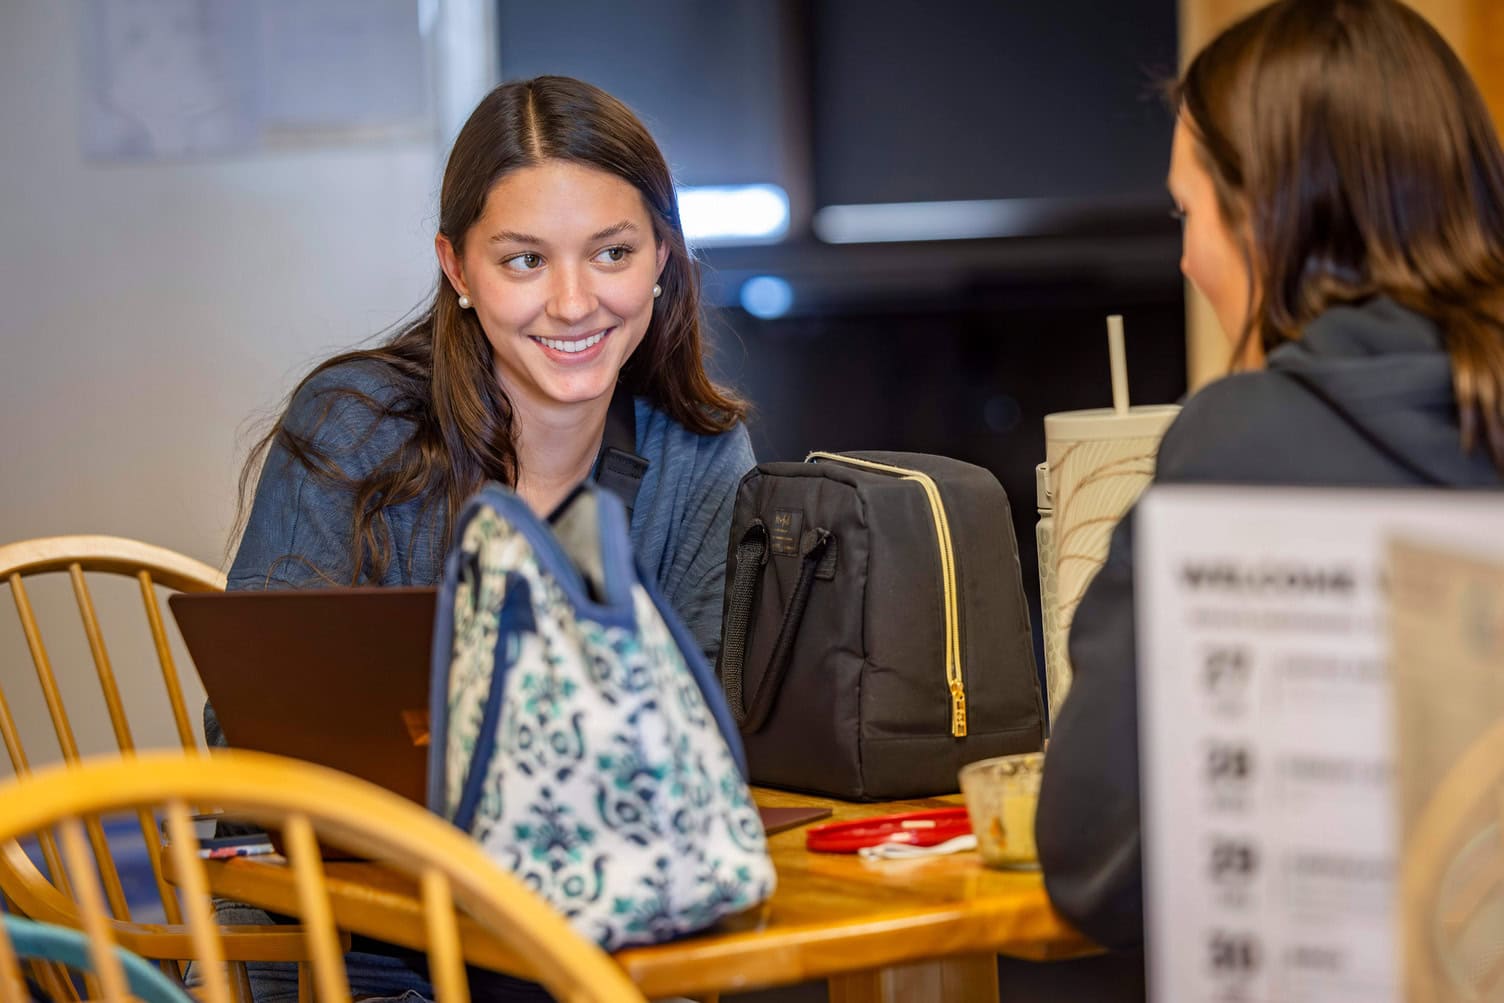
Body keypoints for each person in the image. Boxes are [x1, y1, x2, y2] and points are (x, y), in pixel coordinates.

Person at [212, 75, 754, 1003]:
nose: (576, 303)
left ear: (661, 256)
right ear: (458, 270)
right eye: (524, 261)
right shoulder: (352, 423)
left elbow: (716, 745)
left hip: (600, 935)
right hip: (347, 945)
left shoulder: (701, 458)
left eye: (612, 252)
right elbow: (248, 733)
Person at [1036, 0, 1504, 958]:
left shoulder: (1242, 450)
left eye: (1189, 213)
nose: (1184, 255)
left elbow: (1095, 859)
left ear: (1269, 218)